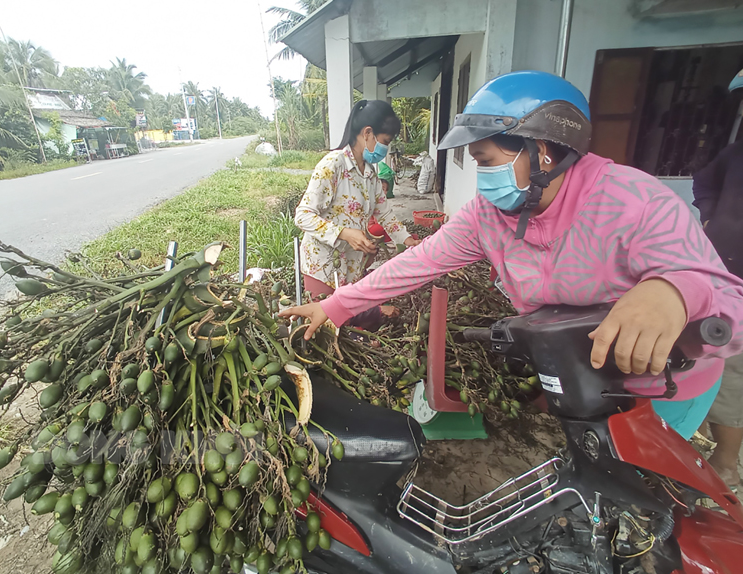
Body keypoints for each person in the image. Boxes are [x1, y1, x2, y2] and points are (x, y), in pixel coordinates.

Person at [282, 70, 743, 441]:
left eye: (484, 161)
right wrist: (335, 305)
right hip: (578, 382)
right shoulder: (490, 216)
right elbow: (417, 263)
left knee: (644, 515)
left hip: (659, 392)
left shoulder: (634, 202)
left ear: (539, 151)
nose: (481, 176)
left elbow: (731, 306)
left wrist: (672, 292)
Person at [295, 99, 420, 303]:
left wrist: (407, 240)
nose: (385, 150)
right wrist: (345, 233)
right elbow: (302, 216)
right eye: (385, 142)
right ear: (367, 133)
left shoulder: (370, 174)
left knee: (346, 328)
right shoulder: (333, 164)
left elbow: (385, 214)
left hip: (352, 265)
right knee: (325, 330)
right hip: (323, 266)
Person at [692, 68, 743, 486]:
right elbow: (703, 181)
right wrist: (710, 214)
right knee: (707, 360)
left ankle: (726, 463)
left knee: (733, 373)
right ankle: (705, 445)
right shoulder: (735, 154)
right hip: (720, 274)